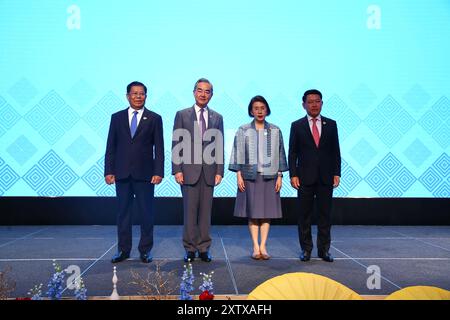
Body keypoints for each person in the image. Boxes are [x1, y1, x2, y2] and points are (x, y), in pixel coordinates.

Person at [104, 81, 164, 263]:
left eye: (142, 93)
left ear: (146, 96)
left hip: (145, 174)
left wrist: (158, 171)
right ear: (127, 96)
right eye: (134, 93)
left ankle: (145, 250)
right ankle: (123, 250)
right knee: (123, 213)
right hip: (121, 173)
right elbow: (111, 146)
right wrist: (109, 170)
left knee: (146, 213)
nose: (138, 96)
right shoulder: (117, 117)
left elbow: (159, 148)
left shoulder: (154, 118)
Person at [229, 95, 288, 260]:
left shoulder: (275, 130)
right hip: (250, 177)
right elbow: (238, 153)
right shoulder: (243, 130)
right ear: (251, 111)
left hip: (269, 177)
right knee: (253, 213)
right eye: (256, 108)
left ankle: (264, 246)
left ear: (267, 110)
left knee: (267, 213)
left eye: (262, 108)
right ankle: (255, 246)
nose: (259, 111)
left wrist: (280, 175)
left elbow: (280, 154)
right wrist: (238, 176)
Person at [172, 78, 224, 263]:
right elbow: (176, 142)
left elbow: (219, 144)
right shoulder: (182, 115)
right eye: (200, 90)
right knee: (190, 212)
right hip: (188, 171)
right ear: (194, 92)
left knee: (205, 213)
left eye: (207, 91)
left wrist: (219, 170)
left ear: (211, 94)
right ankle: (189, 248)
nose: (203, 94)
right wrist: (177, 169)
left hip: (209, 171)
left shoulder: (217, 117)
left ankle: (203, 248)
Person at [288, 89, 341, 263]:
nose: (314, 104)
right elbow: (293, 152)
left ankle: (324, 250)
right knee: (305, 216)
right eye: (310, 102)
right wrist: (293, 174)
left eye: (317, 101)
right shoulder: (297, 125)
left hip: (326, 177)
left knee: (325, 215)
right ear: (304, 105)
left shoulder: (331, 124)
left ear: (322, 103)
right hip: (304, 177)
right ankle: (306, 249)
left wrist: (336, 172)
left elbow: (336, 151)